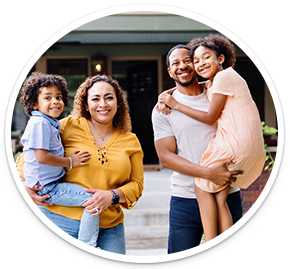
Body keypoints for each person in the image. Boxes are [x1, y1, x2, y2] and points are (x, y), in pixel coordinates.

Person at [16, 74, 144, 254]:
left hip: (110, 227)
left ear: (118, 102)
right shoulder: (68, 126)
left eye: (109, 98)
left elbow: (136, 185)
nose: (103, 104)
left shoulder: (130, 140)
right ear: (85, 104)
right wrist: (23, 184)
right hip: (59, 221)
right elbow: (29, 156)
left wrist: (112, 196)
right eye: (95, 99)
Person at [158, 35, 265, 242]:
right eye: (196, 60)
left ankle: (211, 242)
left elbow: (209, 118)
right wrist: (167, 95)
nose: (200, 63)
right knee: (219, 200)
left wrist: (175, 103)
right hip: (247, 150)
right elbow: (203, 85)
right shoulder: (218, 82)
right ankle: (221, 244)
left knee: (201, 184)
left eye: (204, 58)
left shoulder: (223, 79)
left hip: (234, 145)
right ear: (170, 71)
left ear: (221, 58)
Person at [152, 44, 243, 253]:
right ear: (169, 71)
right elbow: (165, 157)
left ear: (196, 64)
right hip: (185, 199)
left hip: (227, 192)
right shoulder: (162, 109)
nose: (182, 66)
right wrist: (209, 174)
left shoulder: (216, 93)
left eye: (187, 60)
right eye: (175, 63)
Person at [20, 72, 99, 246]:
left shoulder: (49, 122)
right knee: (94, 203)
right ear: (34, 103)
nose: (55, 101)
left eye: (59, 97)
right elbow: (41, 157)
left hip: (49, 184)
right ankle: (87, 246)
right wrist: (70, 162)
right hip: (48, 187)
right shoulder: (40, 123)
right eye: (47, 97)